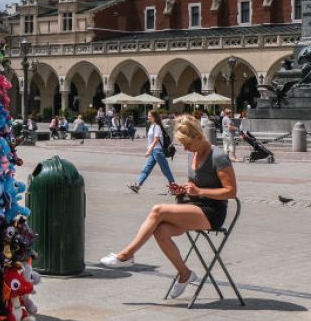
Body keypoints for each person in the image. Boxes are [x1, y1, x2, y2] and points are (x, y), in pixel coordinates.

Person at [101, 115, 238, 299]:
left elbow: (231, 192)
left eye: (187, 143)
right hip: (193, 206)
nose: (186, 148)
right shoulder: (193, 153)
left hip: (212, 212)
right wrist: (183, 190)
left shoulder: (218, 156)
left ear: (198, 136)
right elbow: (193, 184)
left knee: (158, 210)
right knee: (161, 231)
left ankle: (126, 256)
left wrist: (200, 191)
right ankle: (185, 274)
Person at [129, 110, 175, 193]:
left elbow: (156, 139)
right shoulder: (152, 125)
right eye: (148, 116)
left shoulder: (157, 126)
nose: (148, 117)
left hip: (157, 151)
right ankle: (137, 186)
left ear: (154, 117)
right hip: (154, 152)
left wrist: (149, 150)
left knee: (166, 170)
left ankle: (174, 187)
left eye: (149, 116)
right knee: (146, 169)